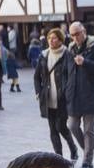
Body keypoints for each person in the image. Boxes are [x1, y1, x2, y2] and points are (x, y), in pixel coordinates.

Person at [63, 21, 94, 168]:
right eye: (72, 35)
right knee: (72, 126)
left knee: (88, 130)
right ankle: (89, 148)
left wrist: (85, 62)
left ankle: (88, 160)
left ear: (84, 32)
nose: (75, 37)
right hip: (74, 95)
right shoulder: (70, 49)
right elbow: (66, 72)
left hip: (90, 94)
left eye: (77, 33)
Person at [35, 28, 81, 159]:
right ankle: (58, 157)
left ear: (60, 40)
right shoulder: (44, 55)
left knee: (61, 126)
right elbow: (36, 77)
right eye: (49, 38)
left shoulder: (67, 55)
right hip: (48, 99)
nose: (51, 40)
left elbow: (71, 76)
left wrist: (68, 93)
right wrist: (38, 91)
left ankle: (73, 148)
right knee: (52, 129)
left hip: (62, 99)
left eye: (54, 38)